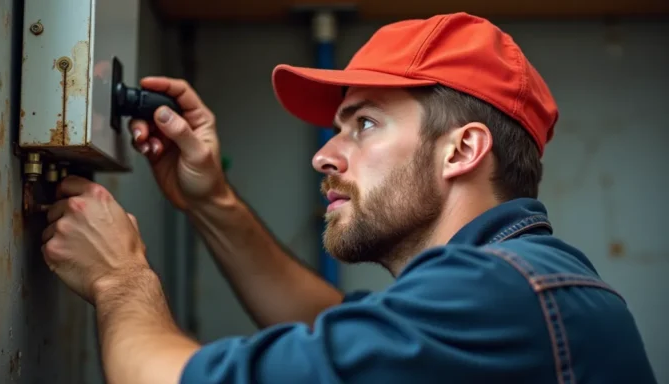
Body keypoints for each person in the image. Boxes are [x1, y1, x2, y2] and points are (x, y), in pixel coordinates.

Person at [40, 12, 656, 384]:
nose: (324, 154)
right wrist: (212, 200)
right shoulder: (521, 278)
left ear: (462, 150)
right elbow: (327, 323)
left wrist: (121, 280)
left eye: (364, 125)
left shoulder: (498, 294)